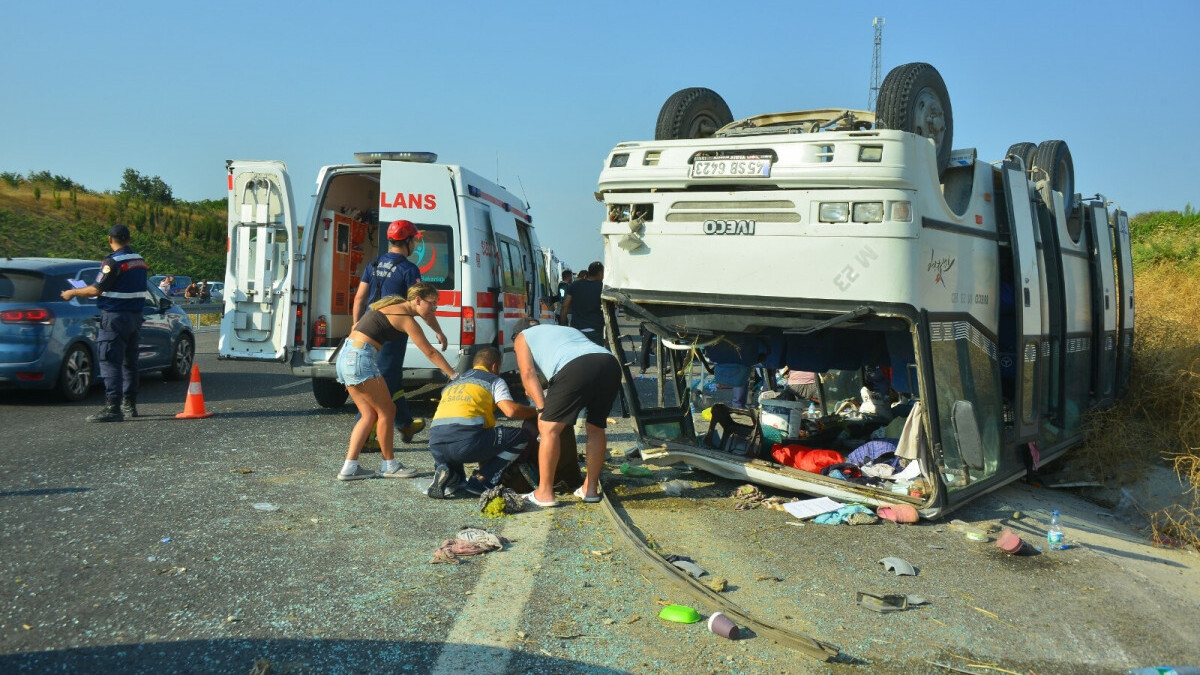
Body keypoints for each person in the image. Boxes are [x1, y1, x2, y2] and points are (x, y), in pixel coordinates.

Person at [335, 282, 457, 480]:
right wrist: (453, 374)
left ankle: (349, 467)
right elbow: (430, 352)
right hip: (360, 358)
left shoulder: (394, 306)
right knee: (387, 411)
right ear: (418, 300)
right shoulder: (405, 318)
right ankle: (389, 465)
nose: (434, 308)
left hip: (346, 356)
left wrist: (439, 332)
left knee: (368, 414)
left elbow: (428, 315)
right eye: (432, 303)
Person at [352, 219, 447, 443]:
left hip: (368, 328)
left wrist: (355, 325)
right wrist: (438, 331)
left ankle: (404, 423)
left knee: (392, 377)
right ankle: (366, 437)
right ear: (407, 241)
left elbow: (359, 298)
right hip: (392, 333)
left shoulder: (374, 264)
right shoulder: (409, 269)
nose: (415, 244)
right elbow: (421, 305)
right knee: (383, 380)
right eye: (414, 240)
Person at [514, 320, 621, 506]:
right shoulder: (564, 330)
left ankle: (544, 493)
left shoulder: (522, 338)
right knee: (595, 427)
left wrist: (542, 409)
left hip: (575, 367)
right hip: (609, 363)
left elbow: (528, 375)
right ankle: (590, 489)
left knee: (549, 429)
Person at [61, 224, 149, 422]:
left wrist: (72, 292)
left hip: (115, 317)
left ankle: (112, 408)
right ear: (129, 239)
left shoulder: (113, 262)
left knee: (110, 362)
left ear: (110, 239)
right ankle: (129, 405)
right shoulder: (139, 260)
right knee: (130, 363)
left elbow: (95, 290)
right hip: (135, 317)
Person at [425, 346, 538, 499]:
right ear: (495, 367)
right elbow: (511, 411)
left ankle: (449, 473)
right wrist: (537, 410)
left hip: (436, 445)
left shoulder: (453, 382)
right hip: (466, 444)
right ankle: (482, 480)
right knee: (520, 436)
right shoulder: (493, 380)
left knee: (458, 480)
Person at [559, 261, 605, 346]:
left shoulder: (575, 285)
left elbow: (565, 306)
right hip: (595, 331)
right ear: (600, 273)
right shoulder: (602, 288)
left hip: (577, 331)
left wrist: (563, 323)